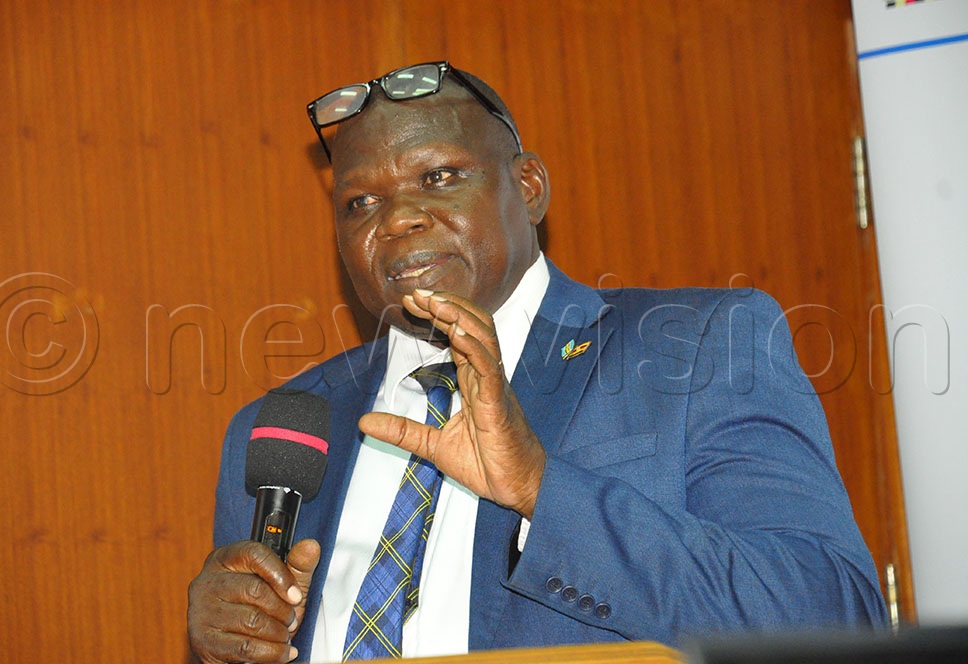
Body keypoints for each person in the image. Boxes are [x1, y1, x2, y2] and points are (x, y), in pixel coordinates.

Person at [187, 62, 887, 663]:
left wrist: (541, 489)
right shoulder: (284, 428)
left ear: (528, 188)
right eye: (360, 201)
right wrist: (233, 640)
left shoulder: (699, 347)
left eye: (438, 176)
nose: (395, 218)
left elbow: (834, 616)